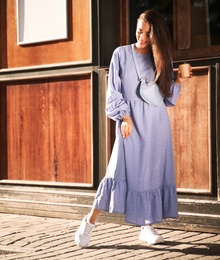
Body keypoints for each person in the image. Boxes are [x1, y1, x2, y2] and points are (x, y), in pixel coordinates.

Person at [75, 9, 192, 247]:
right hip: (131, 123)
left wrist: (178, 81)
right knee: (116, 173)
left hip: (156, 124)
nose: (143, 37)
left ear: (157, 35)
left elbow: (166, 99)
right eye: (140, 31)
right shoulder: (121, 54)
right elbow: (114, 92)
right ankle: (89, 221)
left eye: (149, 33)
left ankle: (147, 227)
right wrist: (125, 118)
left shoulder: (162, 58)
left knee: (150, 175)